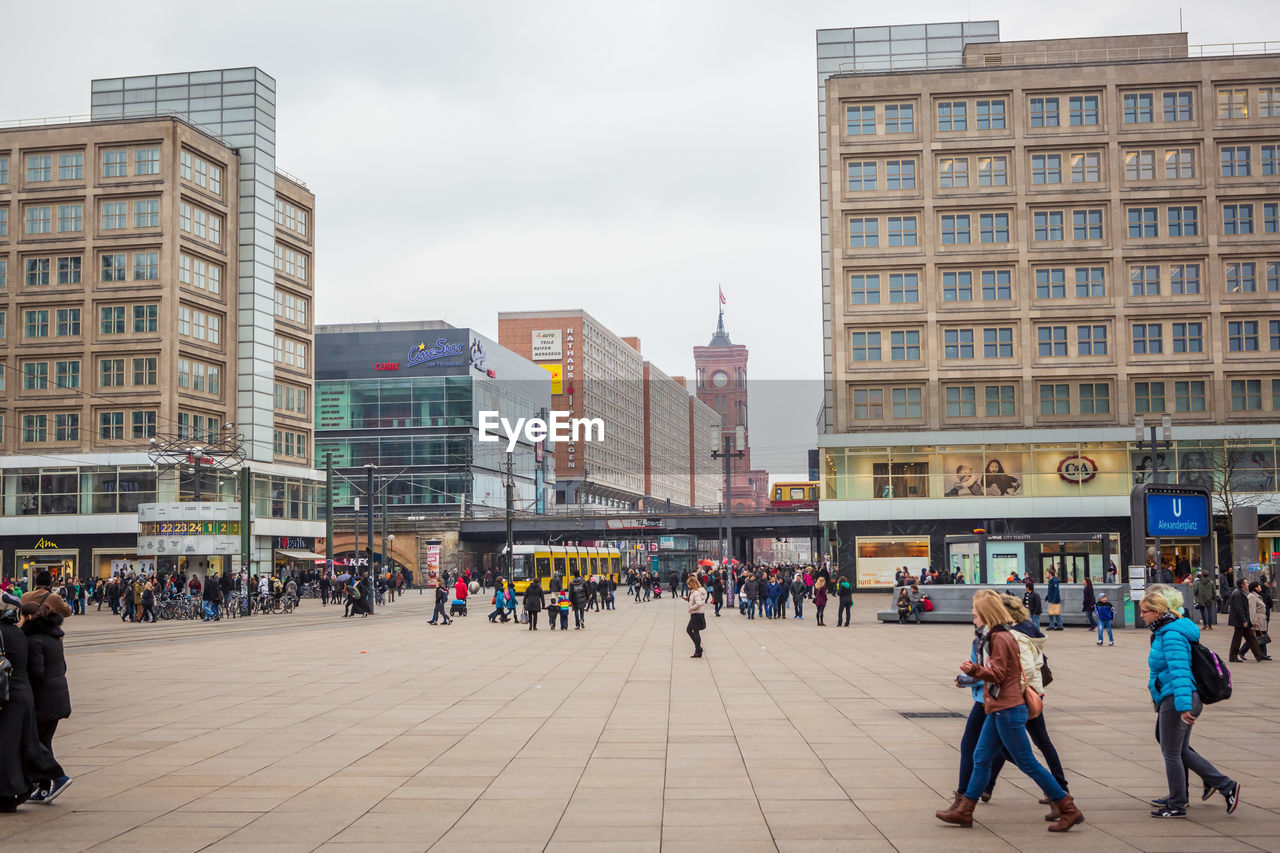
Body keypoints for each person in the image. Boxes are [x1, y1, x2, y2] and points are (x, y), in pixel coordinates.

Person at [935, 594, 1082, 832]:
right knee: (981, 758)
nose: (973, 616)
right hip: (998, 707)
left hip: (1008, 708)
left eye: (975, 612)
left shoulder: (999, 638)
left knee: (1027, 762)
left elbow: (1000, 675)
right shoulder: (997, 635)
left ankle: (1067, 807)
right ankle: (965, 810)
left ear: (986, 614)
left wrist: (975, 670)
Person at [1140, 587, 1242, 818]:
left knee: (1172, 753)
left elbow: (1180, 672)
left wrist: (1184, 707)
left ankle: (1180, 802)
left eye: (1144, 611)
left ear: (1156, 612)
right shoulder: (1165, 631)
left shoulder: (1171, 635)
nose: (1141, 615)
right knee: (1178, 749)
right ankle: (1221, 786)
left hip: (1177, 698)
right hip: (1173, 696)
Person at [0, 592, 64, 812]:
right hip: (32, 695)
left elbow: (36, 671)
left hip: (17, 695)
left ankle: (50, 779)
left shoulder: (11, 635)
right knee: (29, 741)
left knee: (19, 744)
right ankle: (41, 781)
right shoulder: (23, 634)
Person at [19, 590, 73, 804]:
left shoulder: (34, 641)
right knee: (43, 741)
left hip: (45, 700)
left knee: (34, 742)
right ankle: (42, 789)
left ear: (29, 618)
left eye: (22, 617)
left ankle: (58, 777)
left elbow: (37, 674)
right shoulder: (54, 636)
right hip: (59, 697)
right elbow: (63, 667)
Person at [1227, 578, 1268, 662]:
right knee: (1237, 639)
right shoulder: (1238, 594)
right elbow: (1240, 609)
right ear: (1242, 585)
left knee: (1251, 638)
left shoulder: (1240, 593)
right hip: (1240, 621)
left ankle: (1259, 655)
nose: (1248, 584)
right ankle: (1233, 656)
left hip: (1243, 620)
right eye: (1246, 583)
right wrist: (1244, 620)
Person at [685, 575, 707, 659]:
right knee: (690, 630)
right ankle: (698, 648)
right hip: (698, 613)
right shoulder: (696, 591)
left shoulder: (696, 592)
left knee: (694, 631)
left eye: (689, 584)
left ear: (692, 584)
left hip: (696, 613)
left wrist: (691, 608)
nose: (688, 586)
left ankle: (698, 650)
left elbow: (699, 603)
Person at [1249, 581, 1269, 658]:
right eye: (1259, 586)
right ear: (1255, 588)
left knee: (1261, 636)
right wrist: (1253, 621)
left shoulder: (1258, 596)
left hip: (1261, 619)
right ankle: (1242, 651)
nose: (1260, 587)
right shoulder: (1252, 597)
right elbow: (1252, 610)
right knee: (1257, 637)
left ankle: (1263, 654)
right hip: (1258, 619)